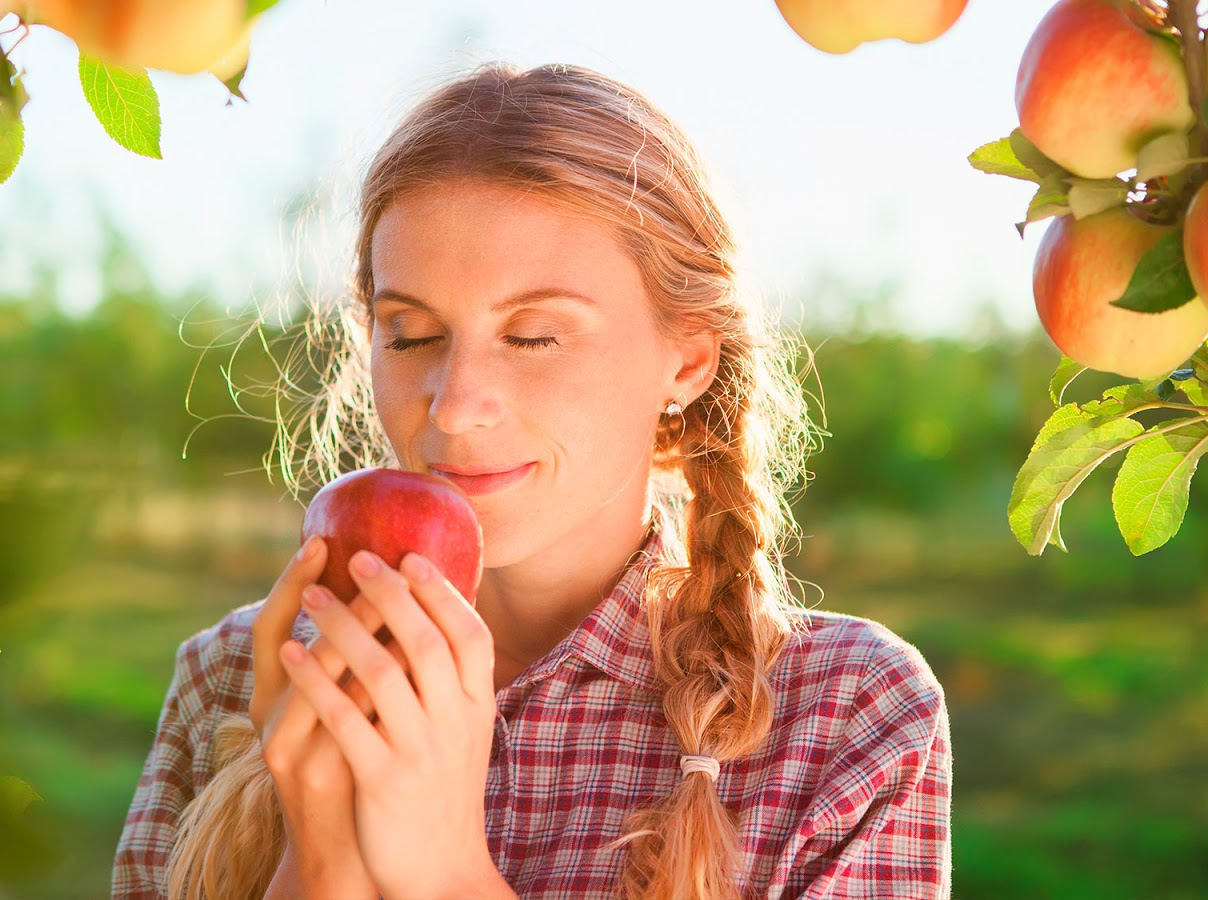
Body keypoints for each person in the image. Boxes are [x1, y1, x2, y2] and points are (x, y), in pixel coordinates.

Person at [112, 62, 951, 900]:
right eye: (409, 335)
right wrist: (319, 854)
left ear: (688, 359)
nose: (454, 406)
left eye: (536, 335)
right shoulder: (234, 674)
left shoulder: (847, 713)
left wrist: (442, 870)